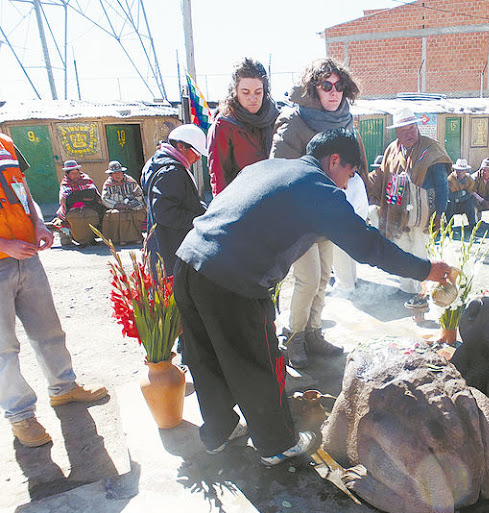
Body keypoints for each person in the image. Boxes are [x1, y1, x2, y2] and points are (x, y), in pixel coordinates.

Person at [173, 128, 452, 462]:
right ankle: (276, 445)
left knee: (206, 356)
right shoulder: (317, 187)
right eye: (348, 174)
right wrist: (425, 269)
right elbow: (368, 247)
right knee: (256, 361)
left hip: (188, 262)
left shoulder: (266, 167)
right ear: (334, 161)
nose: (347, 185)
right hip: (234, 279)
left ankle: (219, 432)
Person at [0, 133, 107, 448]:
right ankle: (20, 415)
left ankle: (63, 387)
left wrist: (39, 223)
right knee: (4, 348)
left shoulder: (6, 143)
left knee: (48, 331)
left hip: (28, 256)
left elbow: (23, 189)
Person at [270, 58, 368, 368]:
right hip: (299, 216)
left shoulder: (346, 120)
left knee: (325, 277)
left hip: (331, 211)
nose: (333, 91)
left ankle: (313, 333)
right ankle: (294, 337)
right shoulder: (295, 120)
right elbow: (278, 168)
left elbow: (355, 161)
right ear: (314, 88)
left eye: (339, 86)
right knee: (308, 279)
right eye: (326, 85)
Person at [369, 108, 451, 309]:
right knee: (401, 249)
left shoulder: (432, 150)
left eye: (412, 127)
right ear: (397, 132)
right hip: (397, 214)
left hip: (423, 216)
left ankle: (420, 292)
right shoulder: (392, 150)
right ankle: (407, 288)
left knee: (420, 251)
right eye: (404, 130)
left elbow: (442, 185)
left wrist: (439, 214)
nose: (410, 133)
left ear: (417, 127)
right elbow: (382, 176)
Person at [141, 124, 207, 277]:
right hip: (171, 249)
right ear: (180, 146)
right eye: (196, 153)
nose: (198, 158)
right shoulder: (171, 172)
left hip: (166, 246)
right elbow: (165, 213)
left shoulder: (159, 165)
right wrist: (199, 220)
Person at [207, 58, 279, 196]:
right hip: (242, 205)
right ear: (235, 92)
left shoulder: (277, 118)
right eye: (245, 92)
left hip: (276, 201)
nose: (253, 98)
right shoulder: (224, 126)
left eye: (258, 92)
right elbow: (219, 178)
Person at [332, 171, 370, 292]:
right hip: (358, 221)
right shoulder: (355, 176)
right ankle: (352, 280)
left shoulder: (344, 177)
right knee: (349, 255)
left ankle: (345, 286)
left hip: (345, 224)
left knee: (340, 256)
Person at [56, 160, 104, 247]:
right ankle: (81, 240)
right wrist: (82, 197)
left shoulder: (86, 179)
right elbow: (67, 200)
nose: (75, 176)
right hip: (72, 208)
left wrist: (76, 196)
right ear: (67, 174)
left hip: (90, 206)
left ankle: (91, 238)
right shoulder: (65, 183)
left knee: (92, 216)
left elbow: (91, 193)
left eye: (76, 173)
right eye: (72, 174)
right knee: (76, 219)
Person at [101, 160, 146, 245]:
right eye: (115, 173)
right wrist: (116, 205)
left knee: (136, 212)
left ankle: (136, 237)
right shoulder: (108, 184)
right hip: (116, 206)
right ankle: (118, 239)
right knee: (115, 214)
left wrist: (133, 203)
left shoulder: (131, 181)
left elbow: (139, 195)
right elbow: (104, 199)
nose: (118, 175)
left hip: (132, 205)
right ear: (111, 175)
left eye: (119, 173)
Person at [445, 158, 476, 229]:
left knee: (470, 202)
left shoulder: (469, 179)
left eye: (462, 171)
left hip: (463, 203)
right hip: (453, 204)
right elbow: (449, 195)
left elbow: (470, 193)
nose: (459, 172)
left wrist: (460, 198)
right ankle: (449, 225)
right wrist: (461, 193)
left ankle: (472, 224)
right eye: (458, 170)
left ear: (465, 171)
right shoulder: (450, 179)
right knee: (449, 203)